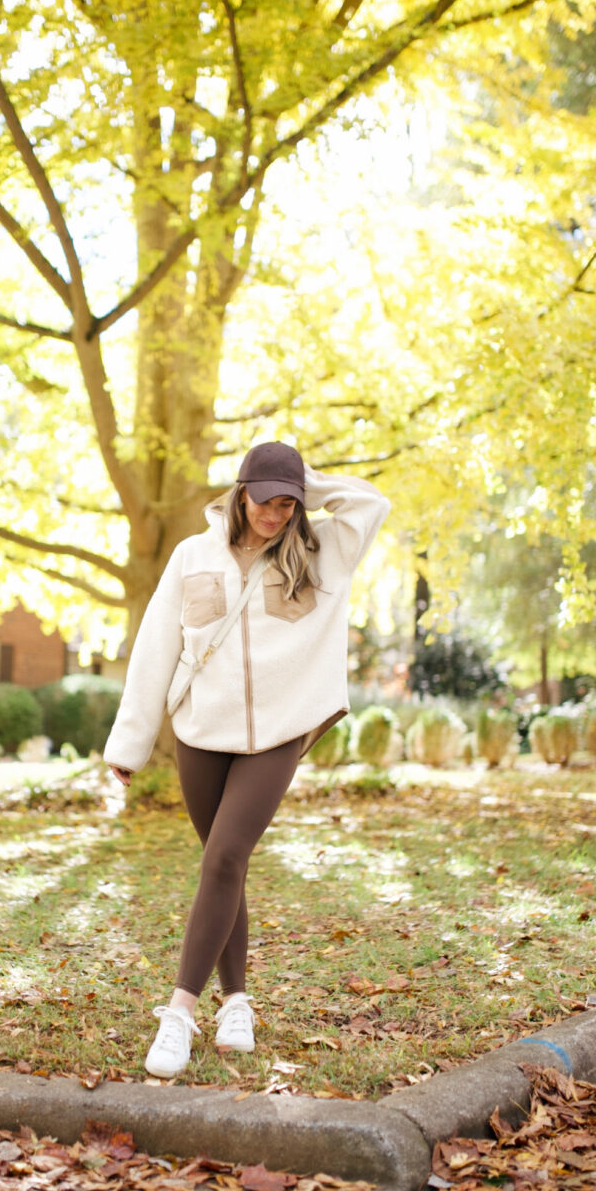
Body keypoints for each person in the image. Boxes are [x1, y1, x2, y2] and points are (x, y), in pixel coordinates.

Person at [104, 441, 390, 1078]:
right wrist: (129, 743)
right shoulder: (192, 555)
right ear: (240, 492)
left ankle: (178, 1012)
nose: (276, 512)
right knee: (220, 867)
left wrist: (298, 478)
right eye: (266, 497)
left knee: (227, 856)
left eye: (288, 502)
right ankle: (237, 1002)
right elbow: (155, 649)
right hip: (201, 734)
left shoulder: (320, 554)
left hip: (278, 735)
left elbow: (372, 504)